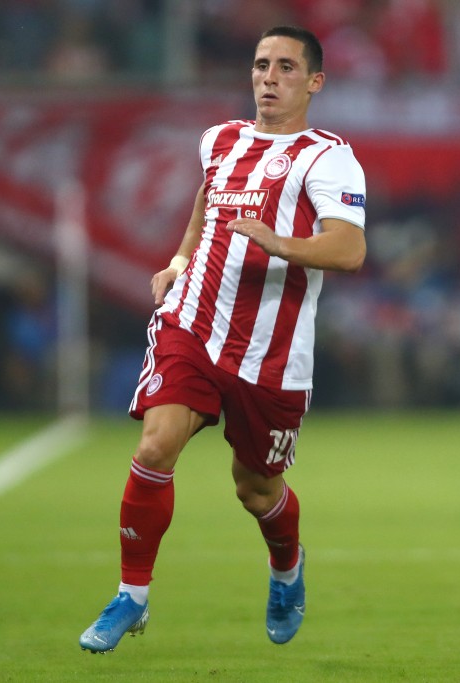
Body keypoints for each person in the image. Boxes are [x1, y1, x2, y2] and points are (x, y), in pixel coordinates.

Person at [78, 24, 367, 653]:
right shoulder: (220, 140)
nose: (269, 76)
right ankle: (132, 596)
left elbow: (349, 248)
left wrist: (279, 242)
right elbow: (208, 205)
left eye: (286, 67)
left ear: (314, 81)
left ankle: (287, 570)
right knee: (155, 446)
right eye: (262, 64)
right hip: (193, 323)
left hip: (273, 353)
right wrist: (182, 260)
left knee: (254, 487)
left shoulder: (328, 157)